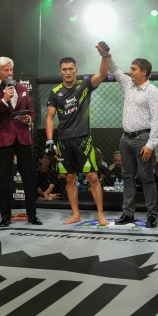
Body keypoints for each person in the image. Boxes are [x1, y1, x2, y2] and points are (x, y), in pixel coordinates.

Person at [45, 49, 110, 225]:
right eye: (64, 69)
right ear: (61, 71)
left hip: (83, 139)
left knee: (92, 177)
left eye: (70, 69)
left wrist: (105, 56)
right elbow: (50, 117)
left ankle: (101, 215)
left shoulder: (84, 86)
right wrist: (49, 140)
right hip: (63, 140)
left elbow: (103, 74)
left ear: (76, 70)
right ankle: (76, 215)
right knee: (70, 178)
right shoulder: (55, 92)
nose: (67, 72)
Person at [106, 46, 158, 228]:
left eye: (133, 69)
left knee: (146, 177)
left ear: (144, 72)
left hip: (143, 139)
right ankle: (128, 213)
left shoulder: (153, 91)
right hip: (125, 139)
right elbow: (114, 70)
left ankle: (151, 215)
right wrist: (107, 56)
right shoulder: (128, 85)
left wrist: (151, 144)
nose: (130, 72)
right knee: (127, 177)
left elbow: (157, 119)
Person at [0, 56, 42, 227]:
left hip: (23, 137)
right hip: (3, 138)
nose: (9, 73)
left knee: (29, 178)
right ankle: (5, 217)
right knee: (3, 179)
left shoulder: (22, 87)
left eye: (11, 70)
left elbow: (32, 112)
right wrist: (3, 100)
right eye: (6, 70)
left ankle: (32, 215)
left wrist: (28, 119)